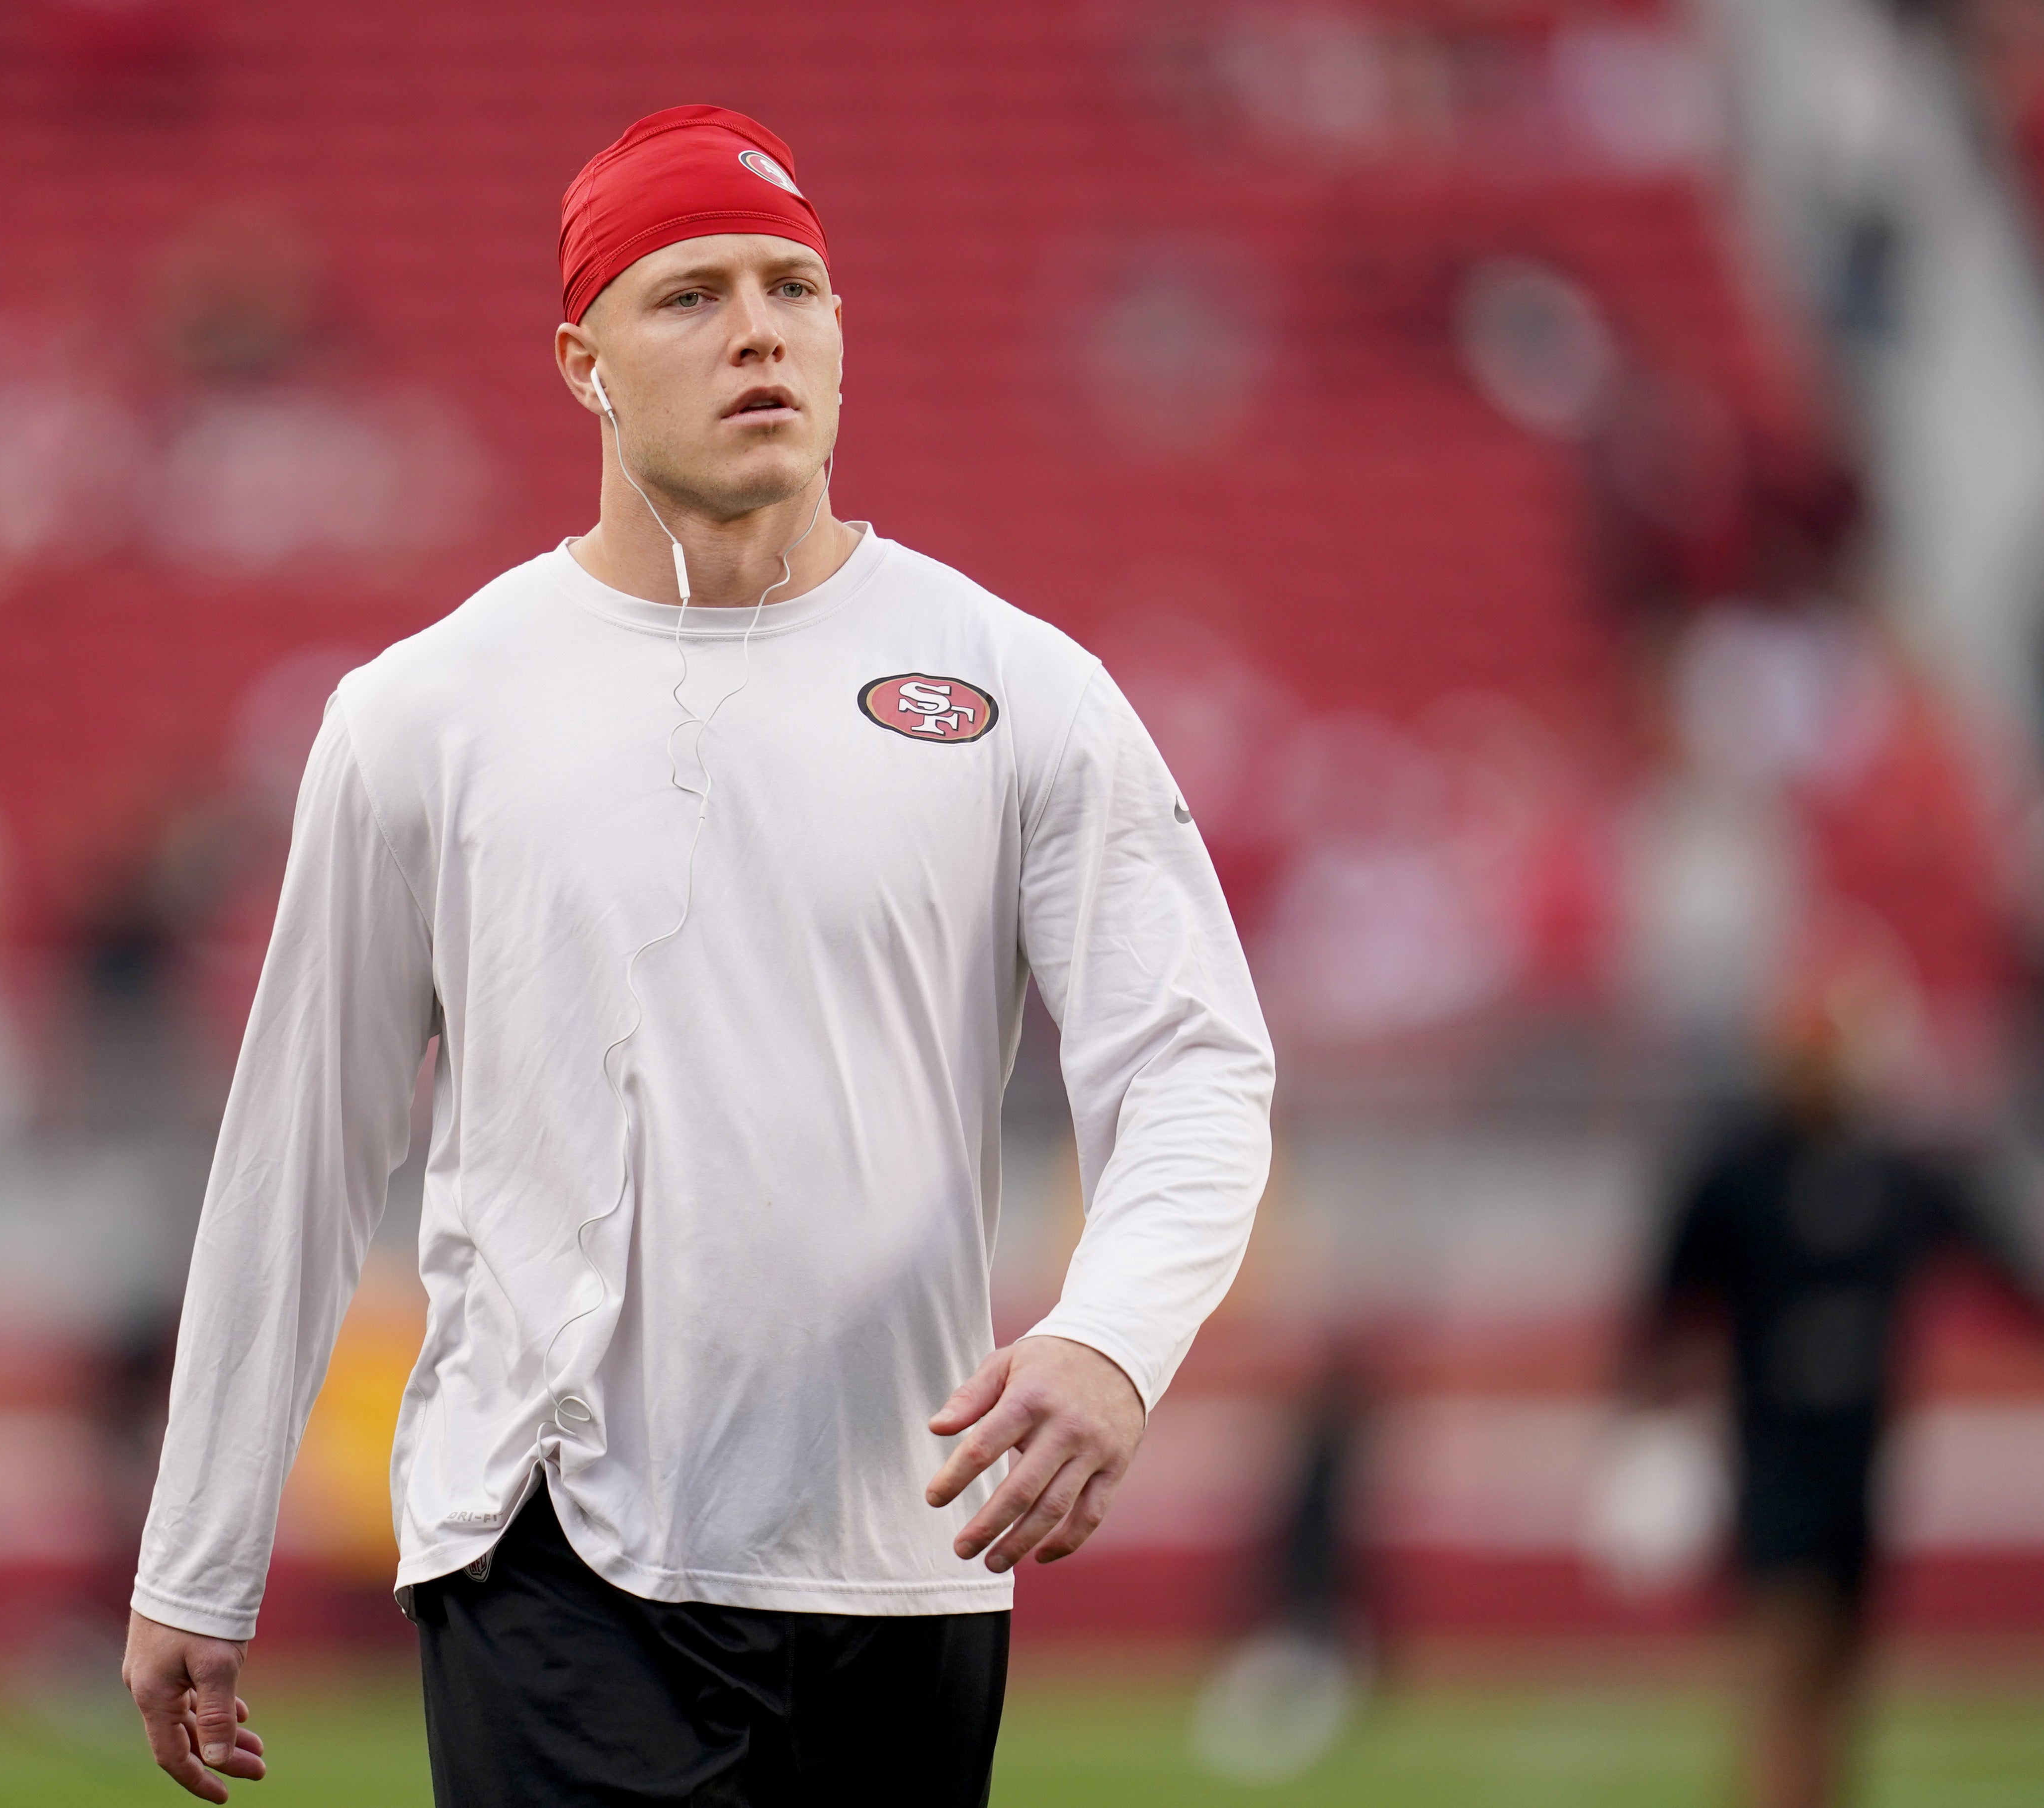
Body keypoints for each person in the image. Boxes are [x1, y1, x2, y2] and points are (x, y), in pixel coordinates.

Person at [121, 104, 1276, 1806]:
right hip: (554, 1558)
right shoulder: (424, 715)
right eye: (692, 295)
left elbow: (1189, 1062)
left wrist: (1112, 1338)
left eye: (793, 287)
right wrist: (199, 1548)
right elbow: (300, 1151)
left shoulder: (1014, 685)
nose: (757, 330)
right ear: (583, 360)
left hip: (907, 1555)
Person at [1628, 983, 2044, 1808]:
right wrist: (1652, 1420)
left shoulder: (1899, 1175)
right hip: (1771, 1460)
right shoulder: (1736, 1174)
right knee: (1784, 1669)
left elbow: (2016, 1276)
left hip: (1861, 1461)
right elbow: (1663, 1307)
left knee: (1842, 1680)